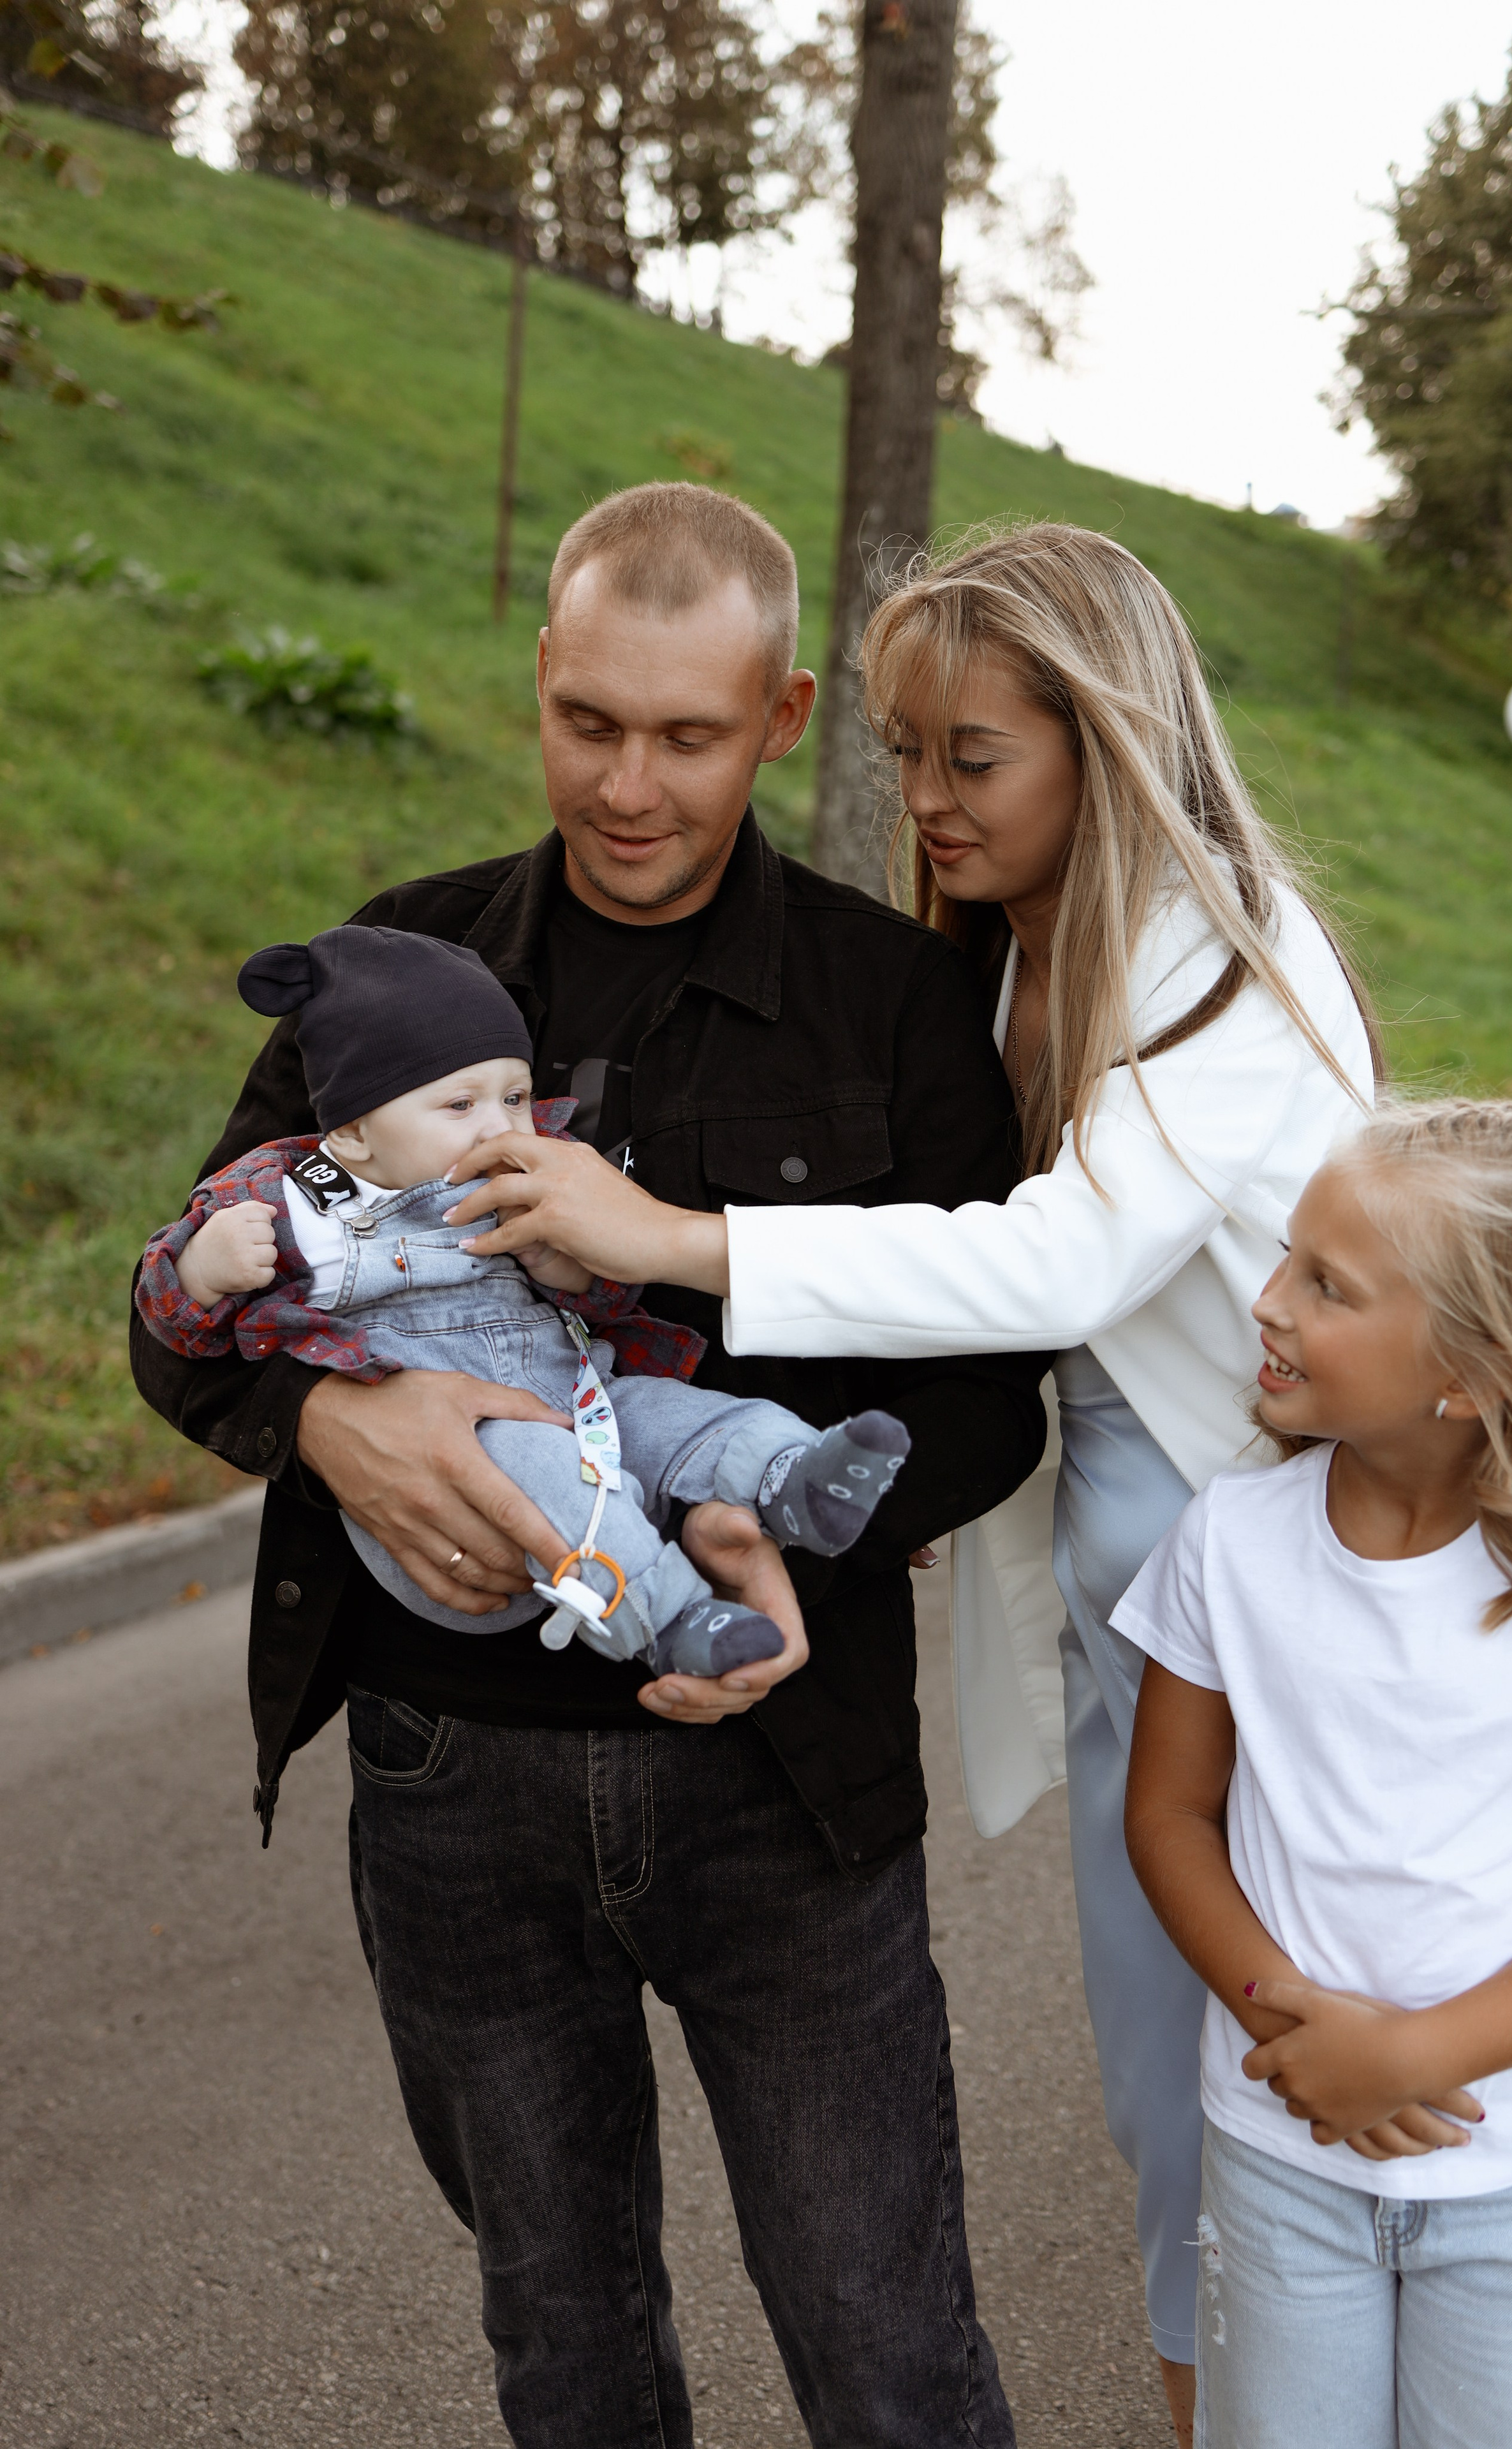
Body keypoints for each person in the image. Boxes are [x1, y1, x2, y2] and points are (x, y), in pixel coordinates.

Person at [436, 519, 1383, 2445]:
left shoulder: (1220, 949)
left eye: (974, 754)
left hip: (1311, 1636)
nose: (927, 798)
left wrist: (670, 1236)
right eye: (904, 749)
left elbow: (1051, 1267)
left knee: (1355, 2134)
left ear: (1106, 746)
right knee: (1178, 2133)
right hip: (1152, 1639)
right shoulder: (1024, 946)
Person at [129, 480, 1048, 2449]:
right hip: (447, 1785)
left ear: (783, 717)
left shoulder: (896, 1001)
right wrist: (331, 1424)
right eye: (589, 721)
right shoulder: (391, 962)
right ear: (541, 673)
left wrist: (796, 1545)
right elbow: (192, 1298)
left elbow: (993, 1387)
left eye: (690, 736)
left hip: (786, 1781)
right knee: (566, 2357)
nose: (629, 786)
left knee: (888, 2352)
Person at [1119, 1099, 1512, 2446]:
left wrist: (1406, 2057)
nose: (1266, 1302)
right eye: (1285, 1259)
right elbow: (1168, 1814)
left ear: (1469, 1373)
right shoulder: (1228, 1539)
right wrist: (1283, 2027)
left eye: (1325, 1284)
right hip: (1276, 2154)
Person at [135, 922, 912, 1677]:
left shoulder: (532, 1175)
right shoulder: (286, 1201)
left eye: (514, 1096)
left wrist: (567, 1267)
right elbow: (172, 1319)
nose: (500, 1126)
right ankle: (668, 1619)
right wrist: (203, 1267)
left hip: (581, 1397)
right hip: (461, 1481)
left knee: (683, 1412)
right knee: (548, 1465)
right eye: (460, 1105)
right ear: (356, 1133)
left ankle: (790, 1478)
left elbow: (611, 1300)